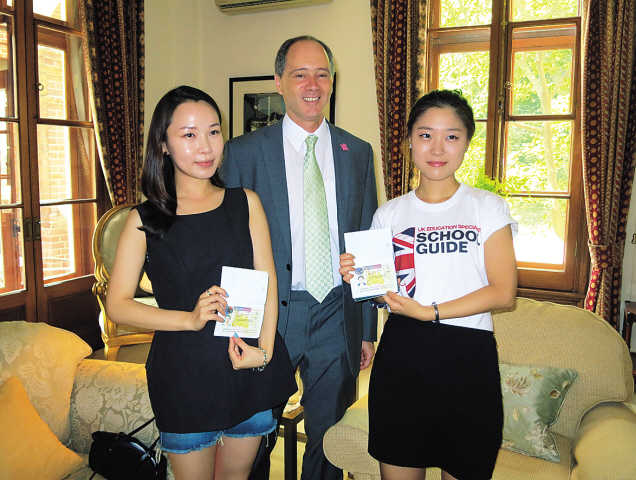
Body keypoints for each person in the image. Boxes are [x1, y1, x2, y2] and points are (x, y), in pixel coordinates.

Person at [106, 86, 297, 480]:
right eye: (189, 134)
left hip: (244, 371)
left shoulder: (245, 202)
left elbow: (267, 287)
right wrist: (189, 319)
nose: (206, 146)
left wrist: (263, 353)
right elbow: (118, 305)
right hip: (184, 377)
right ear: (163, 143)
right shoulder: (145, 219)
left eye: (213, 131)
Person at [220, 36, 378, 480]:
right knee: (252, 429)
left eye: (322, 74)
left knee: (328, 438)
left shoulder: (358, 152)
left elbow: (364, 238)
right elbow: (231, 248)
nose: (313, 84)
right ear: (279, 81)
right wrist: (235, 329)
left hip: (335, 312)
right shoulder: (243, 152)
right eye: (300, 74)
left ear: (332, 82)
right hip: (268, 312)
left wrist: (366, 330)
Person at [339, 89, 518, 480]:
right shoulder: (389, 214)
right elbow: (386, 295)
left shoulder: (487, 207)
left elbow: (503, 291)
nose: (438, 147)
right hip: (403, 359)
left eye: (452, 136)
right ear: (408, 143)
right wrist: (360, 277)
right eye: (425, 134)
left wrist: (430, 312)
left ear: (467, 143)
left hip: (468, 362)